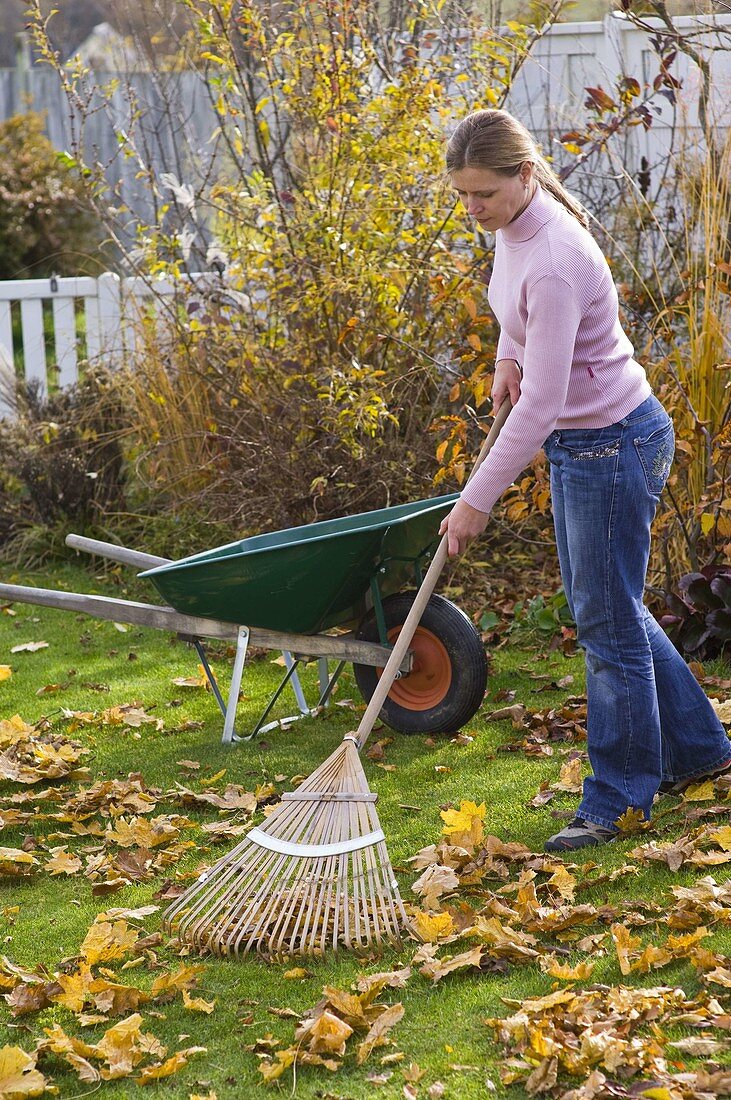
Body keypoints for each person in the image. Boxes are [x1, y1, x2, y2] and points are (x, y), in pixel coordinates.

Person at [438, 107, 731, 851]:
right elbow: (518, 312)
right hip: (587, 441)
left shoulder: (558, 256)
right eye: (463, 195)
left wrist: (476, 502)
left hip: (610, 444)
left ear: (523, 176)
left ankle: (618, 798)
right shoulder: (513, 231)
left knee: (605, 624)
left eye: (484, 194)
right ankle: (699, 750)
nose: (473, 209)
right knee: (611, 610)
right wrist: (508, 352)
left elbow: (540, 404)